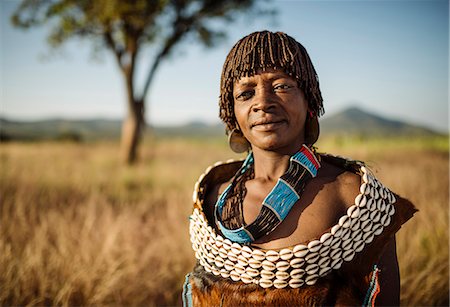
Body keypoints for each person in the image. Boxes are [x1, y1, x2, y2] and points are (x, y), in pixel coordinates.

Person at [183, 31, 417, 306]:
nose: (262, 102)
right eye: (246, 93)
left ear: (309, 99)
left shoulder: (357, 199)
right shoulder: (212, 199)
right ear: (231, 111)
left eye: (281, 86)